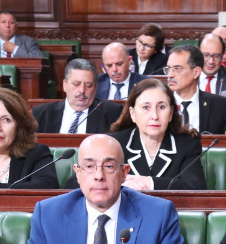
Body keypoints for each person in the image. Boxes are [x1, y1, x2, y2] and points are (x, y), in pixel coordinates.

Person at [12, 134, 198, 244]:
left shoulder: (157, 214)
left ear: (124, 173)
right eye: (90, 166)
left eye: (109, 166)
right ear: (77, 173)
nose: (99, 176)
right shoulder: (50, 214)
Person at [66, 79, 207, 191]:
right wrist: (115, 184)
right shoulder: (114, 143)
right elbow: (74, 183)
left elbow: (197, 188)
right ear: (132, 114)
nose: (154, 116)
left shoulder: (187, 145)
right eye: (146, 107)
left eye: (161, 107)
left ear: (170, 114)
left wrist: (149, 183)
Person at [33, 60, 125, 134]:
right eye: (76, 84)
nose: (82, 90)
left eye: (88, 85)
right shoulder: (42, 113)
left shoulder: (112, 113)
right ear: (65, 85)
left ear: (95, 88)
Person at [166, 45, 226, 135]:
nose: (170, 75)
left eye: (177, 69)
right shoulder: (160, 103)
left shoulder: (219, 105)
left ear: (196, 72)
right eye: (168, 69)